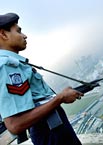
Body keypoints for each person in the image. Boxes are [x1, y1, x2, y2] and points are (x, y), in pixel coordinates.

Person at [0, 12, 84, 145]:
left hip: (55, 132)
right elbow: (15, 125)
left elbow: (38, 101)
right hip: (51, 135)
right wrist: (60, 98)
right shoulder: (7, 67)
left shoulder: (17, 65)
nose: (25, 35)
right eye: (18, 31)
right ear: (3, 34)